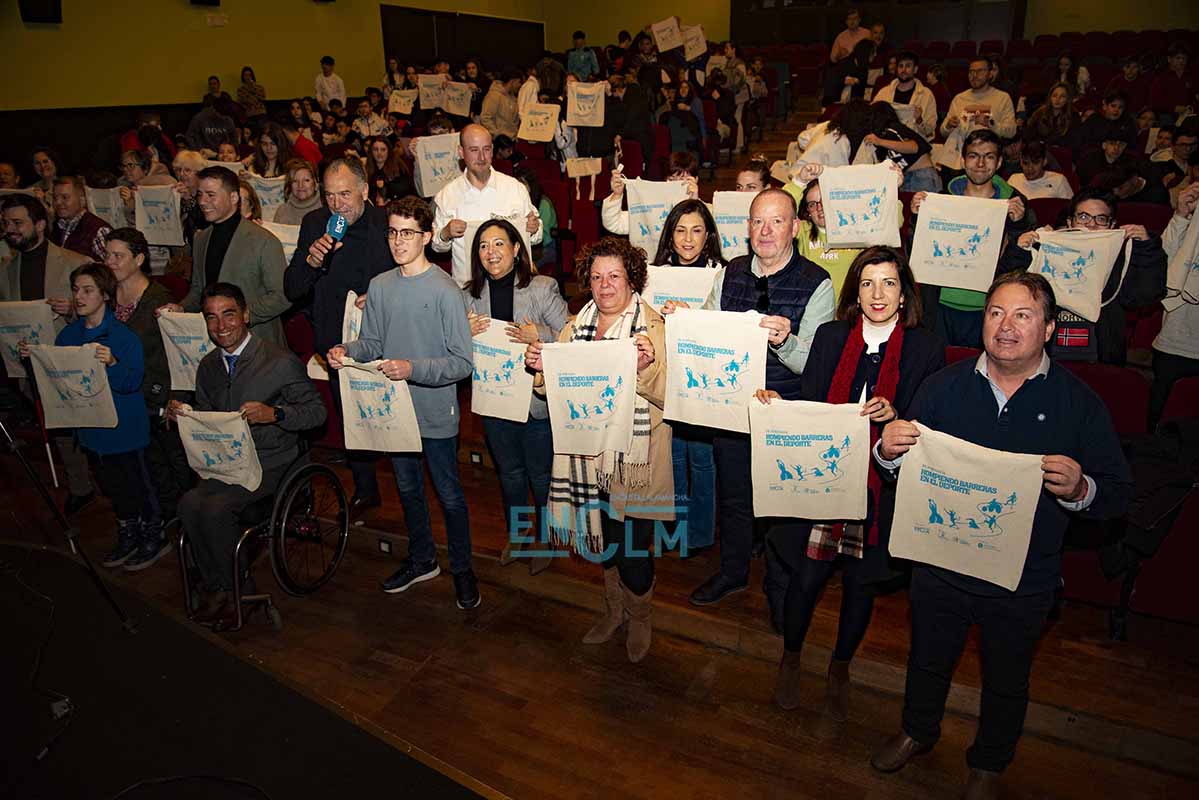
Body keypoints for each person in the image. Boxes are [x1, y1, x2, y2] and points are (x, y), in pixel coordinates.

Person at [869, 271, 1133, 800]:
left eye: (1022, 315)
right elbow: (906, 465)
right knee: (927, 659)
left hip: (1023, 577)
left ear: (1049, 329)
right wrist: (887, 452)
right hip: (940, 563)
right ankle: (918, 731)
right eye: (995, 313)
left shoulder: (1078, 403)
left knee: (1007, 677)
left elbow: (1118, 495)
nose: (1005, 326)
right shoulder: (943, 385)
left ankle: (989, 763)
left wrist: (1082, 488)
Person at [762, 245, 943, 718]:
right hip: (824, 480)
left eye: (888, 283)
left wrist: (897, 416)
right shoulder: (830, 336)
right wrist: (775, 407)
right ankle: (791, 657)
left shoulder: (925, 347)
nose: (877, 294)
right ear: (855, 293)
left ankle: (840, 667)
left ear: (904, 294)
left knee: (861, 585)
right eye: (867, 283)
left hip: (881, 486)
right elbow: (810, 405)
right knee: (806, 578)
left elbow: (930, 423)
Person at [676, 189, 836, 607]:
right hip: (733, 407)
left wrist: (786, 342)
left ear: (794, 228)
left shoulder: (817, 283)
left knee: (783, 503)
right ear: (747, 227)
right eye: (757, 221)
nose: (765, 231)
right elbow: (707, 333)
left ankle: (780, 588)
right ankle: (732, 573)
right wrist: (683, 321)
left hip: (786, 410)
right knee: (733, 497)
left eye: (776, 221)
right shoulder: (730, 273)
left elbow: (813, 364)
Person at [524, 237, 672, 662]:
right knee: (603, 542)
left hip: (635, 461)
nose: (605, 285)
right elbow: (558, 389)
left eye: (614, 276)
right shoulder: (575, 327)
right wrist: (541, 368)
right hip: (587, 459)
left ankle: (640, 616)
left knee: (632, 550)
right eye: (596, 277)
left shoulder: (655, 328)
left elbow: (672, 395)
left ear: (632, 280)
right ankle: (614, 610)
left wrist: (645, 370)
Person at [327, 197, 479, 609]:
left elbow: (462, 362)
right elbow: (373, 342)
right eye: (393, 232)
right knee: (409, 490)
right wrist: (347, 349)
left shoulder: (446, 291)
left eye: (408, 233)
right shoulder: (380, 286)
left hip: (434, 412)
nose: (398, 241)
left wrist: (412, 368)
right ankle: (422, 558)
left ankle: (463, 569)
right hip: (393, 411)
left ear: (427, 237)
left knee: (449, 495)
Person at [170, 282, 326, 627]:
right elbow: (209, 416)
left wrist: (275, 414)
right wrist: (186, 414)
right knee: (188, 503)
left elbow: (317, 413)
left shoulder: (279, 362)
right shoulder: (208, 366)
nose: (220, 326)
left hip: (272, 460)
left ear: (245, 315)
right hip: (227, 460)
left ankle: (238, 590)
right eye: (211, 318)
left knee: (215, 509)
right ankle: (218, 583)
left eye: (228, 315)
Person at [17, 263, 154, 571]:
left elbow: (132, 382)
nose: (78, 297)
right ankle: (128, 533)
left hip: (124, 429)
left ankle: (151, 536)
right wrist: (32, 361)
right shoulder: (68, 335)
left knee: (136, 487)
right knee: (112, 488)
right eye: (76, 290)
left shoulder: (123, 336)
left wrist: (113, 363)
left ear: (105, 295)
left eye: (87, 290)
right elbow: (56, 383)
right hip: (92, 430)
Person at [284, 158, 392, 517]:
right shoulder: (315, 224)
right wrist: (312, 262)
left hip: (383, 338)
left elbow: (409, 276)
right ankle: (365, 488)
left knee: (393, 417)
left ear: (365, 190)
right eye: (329, 195)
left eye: (344, 194)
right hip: (335, 342)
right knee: (351, 417)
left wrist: (380, 295)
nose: (337, 204)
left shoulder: (387, 224)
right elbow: (293, 289)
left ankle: (405, 485)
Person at [463, 218, 569, 572]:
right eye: (483, 246)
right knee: (509, 474)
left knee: (540, 476)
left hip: (535, 403)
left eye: (498, 244)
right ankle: (519, 533)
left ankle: (547, 538)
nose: (490, 252)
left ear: (516, 249)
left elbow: (570, 334)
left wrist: (539, 334)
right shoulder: (468, 296)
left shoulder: (541, 287)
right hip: (495, 402)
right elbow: (451, 346)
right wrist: (463, 331)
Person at [1, 194, 96, 513]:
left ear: (40, 224)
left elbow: (103, 307)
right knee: (59, 429)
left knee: (87, 426)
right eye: (6, 223)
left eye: (18, 223)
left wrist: (74, 309)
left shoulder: (74, 262)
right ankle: (80, 485)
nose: (10, 229)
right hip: (31, 362)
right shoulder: (7, 269)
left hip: (71, 361)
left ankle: (103, 480)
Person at [910, 129, 1037, 347]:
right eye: (973, 156)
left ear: (999, 163)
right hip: (941, 306)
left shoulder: (1017, 205)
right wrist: (917, 219)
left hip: (989, 307)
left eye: (989, 156)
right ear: (963, 160)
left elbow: (1021, 265)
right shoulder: (942, 200)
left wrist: (1018, 225)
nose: (980, 163)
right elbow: (916, 254)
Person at [104, 228, 185, 567]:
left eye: (118, 255)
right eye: (107, 255)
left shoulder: (158, 300)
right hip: (118, 397)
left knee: (161, 468)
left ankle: (165, 529)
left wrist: (170, 399)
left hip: (153, 397)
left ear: (139, 259)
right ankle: (143, 525)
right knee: (131, 471)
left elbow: (174, 357)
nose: (110, 262)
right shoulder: (107, 297)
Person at [649, 199, 726, 555]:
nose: (688, 239)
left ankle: (700, 534)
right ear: (670, 235)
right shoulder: (654, 275)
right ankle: (674, 531)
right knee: (673, 458)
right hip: (667, 377)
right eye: (680, 230)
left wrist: (691, 317)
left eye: (696, 230)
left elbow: (728, 330)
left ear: (709, 235)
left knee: (702, 460)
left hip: (706, 380)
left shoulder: (723, 274)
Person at [1014, 188, 1165, 364]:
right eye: (1083, 217)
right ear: (1070, 222)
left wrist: (1146, 249)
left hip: (1100, 358)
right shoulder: (1047, 250)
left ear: (1112, 225)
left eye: (1101, 219)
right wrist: (1020, 251)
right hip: (1048, 355)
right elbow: (1013, 294)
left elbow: (1145, 296)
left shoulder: (1121, 259)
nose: (1091, 225)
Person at [164, 167, 290, 344]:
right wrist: (181, 308)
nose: (202, 201)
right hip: (214, 342)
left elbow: (282, 296)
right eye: (200, 194)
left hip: (258, 343)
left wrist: (241, 316)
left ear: (233, 198)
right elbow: (199, 290)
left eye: (211, 195)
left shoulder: (264, 241)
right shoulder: (201, 239)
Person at [431, 124, 542, 287]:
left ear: (493, 150)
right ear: (461, 152)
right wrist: (446, 233)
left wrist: (534, 228)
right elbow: (436, 244)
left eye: (486, 149)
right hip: (468, 288)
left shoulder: (515, 188)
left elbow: (536, 236)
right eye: (474, 150)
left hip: (513, 286)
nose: (481, 157)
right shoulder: (447, 195)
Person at [791, 162, 905, 304]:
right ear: (808, 212)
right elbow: (778, 211)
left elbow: (894, 222)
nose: (819, 208)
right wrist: (799, 181)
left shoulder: (858, 226)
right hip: (812, 307)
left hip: (851, 307)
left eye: (824, 200)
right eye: (812, 204)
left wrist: (892, 188)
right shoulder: (802, 230)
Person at [1149, 182, 1199, 429]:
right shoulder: (1188, 220)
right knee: (1160, 429)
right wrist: (1181, 215)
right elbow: (1158, 268)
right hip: (1175, 343)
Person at [602, 151, 704, 235]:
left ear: (696, 180)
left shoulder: (707, 210)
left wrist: (694, 203)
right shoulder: (653, 207)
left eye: (683, 180)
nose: (676, 185)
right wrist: (617, 195)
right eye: (672, 180)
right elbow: (614, 224)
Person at [866, 102, 937, 192]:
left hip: (921, 174)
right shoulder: (882, 138)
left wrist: (880, 142)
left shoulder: (894, 128)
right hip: (907, 177)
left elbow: (914, 147)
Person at [941, 57, 1017, 140]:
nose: (974, 75)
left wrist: (990, 124)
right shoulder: (959, 99)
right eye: (971, 72)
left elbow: (1011, 132)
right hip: (962, 145)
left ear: (990, 74)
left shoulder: (1003, 98)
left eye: (980, 71)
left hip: (991, 146)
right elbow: (943, 132)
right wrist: (948, 126)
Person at [872, 51, 938, 143]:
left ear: (915, 69)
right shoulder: (884, 92)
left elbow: (929, 131)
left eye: (908, 66)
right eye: (900, 66)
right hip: (887, 142)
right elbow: (872, 116)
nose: (903, 70)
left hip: (914, 144)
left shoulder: (926, 95)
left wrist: (919, 121)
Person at [49, 175, 111, 262]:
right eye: (55, 198)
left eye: (65, 197)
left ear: (82, 199)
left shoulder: (98, 230)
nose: (58, 202)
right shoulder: (56, 227)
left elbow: (111, 266)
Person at [1070, 91, 1135, 158]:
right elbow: (1080, 141)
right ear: (1105, 106)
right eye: (1113, 106)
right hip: (1092, 158)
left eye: (1120, 107)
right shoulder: (1094, 119)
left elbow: (1132, 146)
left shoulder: (1127, 123)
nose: (1116, 110)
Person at [1007, 139, 1073, 200]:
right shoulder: (1014, 180)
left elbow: (1071, 206)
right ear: (1021, 162)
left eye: (1035, 163)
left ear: (1044, 162)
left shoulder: (1059, 181)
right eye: (1025, 163)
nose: (1030, 168)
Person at [1149, 42, 1196, 119]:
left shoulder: (1191, 77)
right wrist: (1174, 108)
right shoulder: (1161, 78)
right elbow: (1154, 102)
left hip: (1188, 115)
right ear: (1169, 59)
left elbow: (1194, 97)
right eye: (1178, 58)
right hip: (1166, 115)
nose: (1181, 61)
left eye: (1184, 58)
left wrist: (1191, 108)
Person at [1024, 83, 1079, 147]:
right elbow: (1029, 134)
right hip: (1039, 149)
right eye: (1054, 96)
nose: (1057, 99)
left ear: (1067, 99)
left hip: (1061, 150)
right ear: (1050, 97)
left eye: (1062, 96)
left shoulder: (1073, 116)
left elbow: (1073, 141)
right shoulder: (1040, 112)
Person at [364, 136, 414, 206]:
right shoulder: (367, 168)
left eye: (383, 149)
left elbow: (404, 189)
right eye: (375, 149)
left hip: (398, 206)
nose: (379, 153)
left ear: (389, 151)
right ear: (371, 152)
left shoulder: (399, 166)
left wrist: (385, 184)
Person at [272, 158, 322, 225]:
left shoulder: (326, 209)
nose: (300, 185)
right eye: (295, 181)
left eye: (306, 180)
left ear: (316, 184)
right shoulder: (282, 212)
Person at [480, 68, 522, 140]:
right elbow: (485, 118)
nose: (520, 85)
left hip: (511, 140)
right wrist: (498, 135)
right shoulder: (494, 95)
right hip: (498, 141)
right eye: (519, 82)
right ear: (512, 81)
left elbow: (515, 122)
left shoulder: (513, 99)